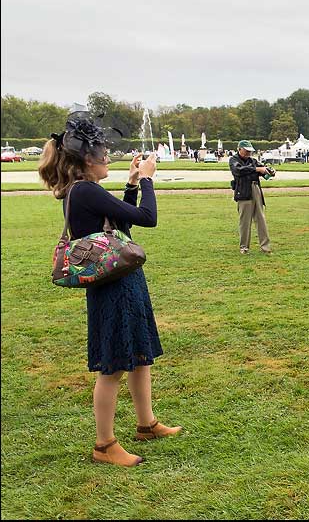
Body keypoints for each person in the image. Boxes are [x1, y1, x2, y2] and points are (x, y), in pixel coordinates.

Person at [37, 111, 181, 467]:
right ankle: (104, 445)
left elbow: (122, 229)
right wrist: (148, 181)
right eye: (104, 152)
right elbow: (148, 218)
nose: (108, 158)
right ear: (88, 158)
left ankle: (146, 423)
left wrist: (131, 185)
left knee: (139, 356)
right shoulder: (84, 191)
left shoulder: (88, 192)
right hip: (112, 289)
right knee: (113, 367)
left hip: (124, 282)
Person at [230, 139, 272, 254]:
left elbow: (262, 170)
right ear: (239, 149)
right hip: (243, 192)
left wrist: (268, 171)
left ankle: (266, 247)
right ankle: (244, 247)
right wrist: (257, 169)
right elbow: (238, 170)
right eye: (246, 151)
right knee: (245, 221)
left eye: (250, 151)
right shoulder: (234, 160)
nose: (249, 153)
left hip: (256, 189)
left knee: (261, 219)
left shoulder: (253, 161)